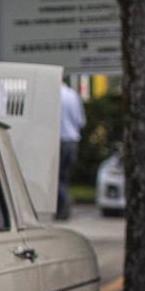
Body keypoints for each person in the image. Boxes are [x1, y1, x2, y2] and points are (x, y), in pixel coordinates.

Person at [57, 81, 86, 220]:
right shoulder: (72, 95)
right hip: (72, 140)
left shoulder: (52, 95)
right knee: (64, 175)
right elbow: (81, 121)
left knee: (55, 177)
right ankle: (62, 207)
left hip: (57, 139)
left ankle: (64, 200)